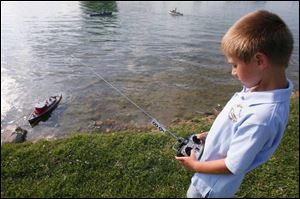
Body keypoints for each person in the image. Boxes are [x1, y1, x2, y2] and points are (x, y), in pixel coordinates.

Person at [175, 10, 294, 198]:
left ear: (259, 61)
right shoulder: (256, 88)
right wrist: (210, 135)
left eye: (235, 65)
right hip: (205, 177)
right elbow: (235, 125)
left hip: (212, 188)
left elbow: (232, 165)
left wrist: (195, 165)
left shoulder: (262, 117)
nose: (233, 72)